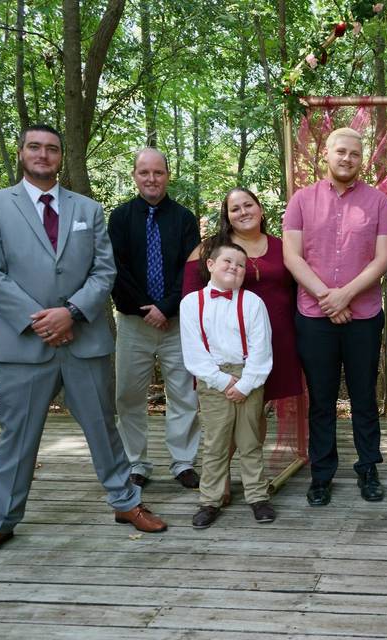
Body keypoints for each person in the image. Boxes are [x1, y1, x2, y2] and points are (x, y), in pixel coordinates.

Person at [0, 125, 167, 563]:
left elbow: (104, 271)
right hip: (23, 345)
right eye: (35, 147)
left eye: (52, 148)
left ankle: (126, 503)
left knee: (103, 428)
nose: (43, 154)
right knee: (17, 437)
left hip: (85, 340)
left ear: (61, 156)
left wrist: (71, 312)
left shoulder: (87, 210)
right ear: (22, 153)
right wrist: (42, 321)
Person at [283, 127, 387, 506]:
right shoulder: (301, 199)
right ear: (326, 154)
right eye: (341, 152)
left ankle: (368, 468)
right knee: (322, 399)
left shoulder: (378, 202)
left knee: (364, 396)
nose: (347, 159)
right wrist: (325, 297)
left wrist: (345, 295)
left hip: (363, 315)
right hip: (313, 316)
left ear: (362, 159)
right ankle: (322, 474)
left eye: (355, 154)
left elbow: (382, 258)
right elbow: (292, 256)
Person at [182, 188, 306, 505]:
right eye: (234, 208)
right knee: (222, 418)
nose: (243, 211)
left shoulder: (282, 247)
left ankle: (250, 479)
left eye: (248, 204)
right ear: (227, 216)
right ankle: (218, 481)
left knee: (256, 412)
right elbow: (193, 296)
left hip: (275, 341)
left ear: (261, 209)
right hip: (226, 349)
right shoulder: (210, 249)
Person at [108, 147, 201, 490]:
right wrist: (149, 307)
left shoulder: (184, 218)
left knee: (184, 394)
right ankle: (137, 463)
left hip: (177, 323)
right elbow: (116, 269)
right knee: (128, 396)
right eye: (144, 172)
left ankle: (183, 461)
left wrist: (166, 307)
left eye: (158, 172)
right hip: (134, 322)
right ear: (134, 175)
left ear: (167, 175)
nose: (151, 178)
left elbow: (191, 271)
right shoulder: (119, 218)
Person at [180, 241, 275, 529]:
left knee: (250, 441)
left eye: (241, 265)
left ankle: (257, 496)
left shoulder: (253, 303)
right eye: (228, 262)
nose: (235, 267)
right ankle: (209, 500)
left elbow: (262, 348)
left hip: (249, 377)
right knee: (215, 443)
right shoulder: (191, 304)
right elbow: (194, 352)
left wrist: (245, 384)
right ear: (210, 265)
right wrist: (222, 381)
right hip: (212, 379)